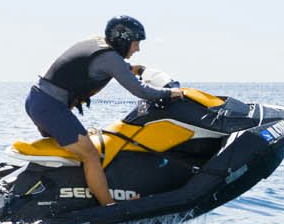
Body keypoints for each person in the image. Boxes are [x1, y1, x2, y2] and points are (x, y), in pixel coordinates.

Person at [25, 16, 184, 207]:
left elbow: (117, 68)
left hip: (37, 99)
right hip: (50, 107)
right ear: (123, 40)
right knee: (90, 155)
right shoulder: (109, 58)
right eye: (136, 43)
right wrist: (170, 93)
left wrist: (138, 70)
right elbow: (140, 91)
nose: (137, 49)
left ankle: (72, 194)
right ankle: (108, 206)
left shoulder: (96, 44)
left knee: (68, 152)